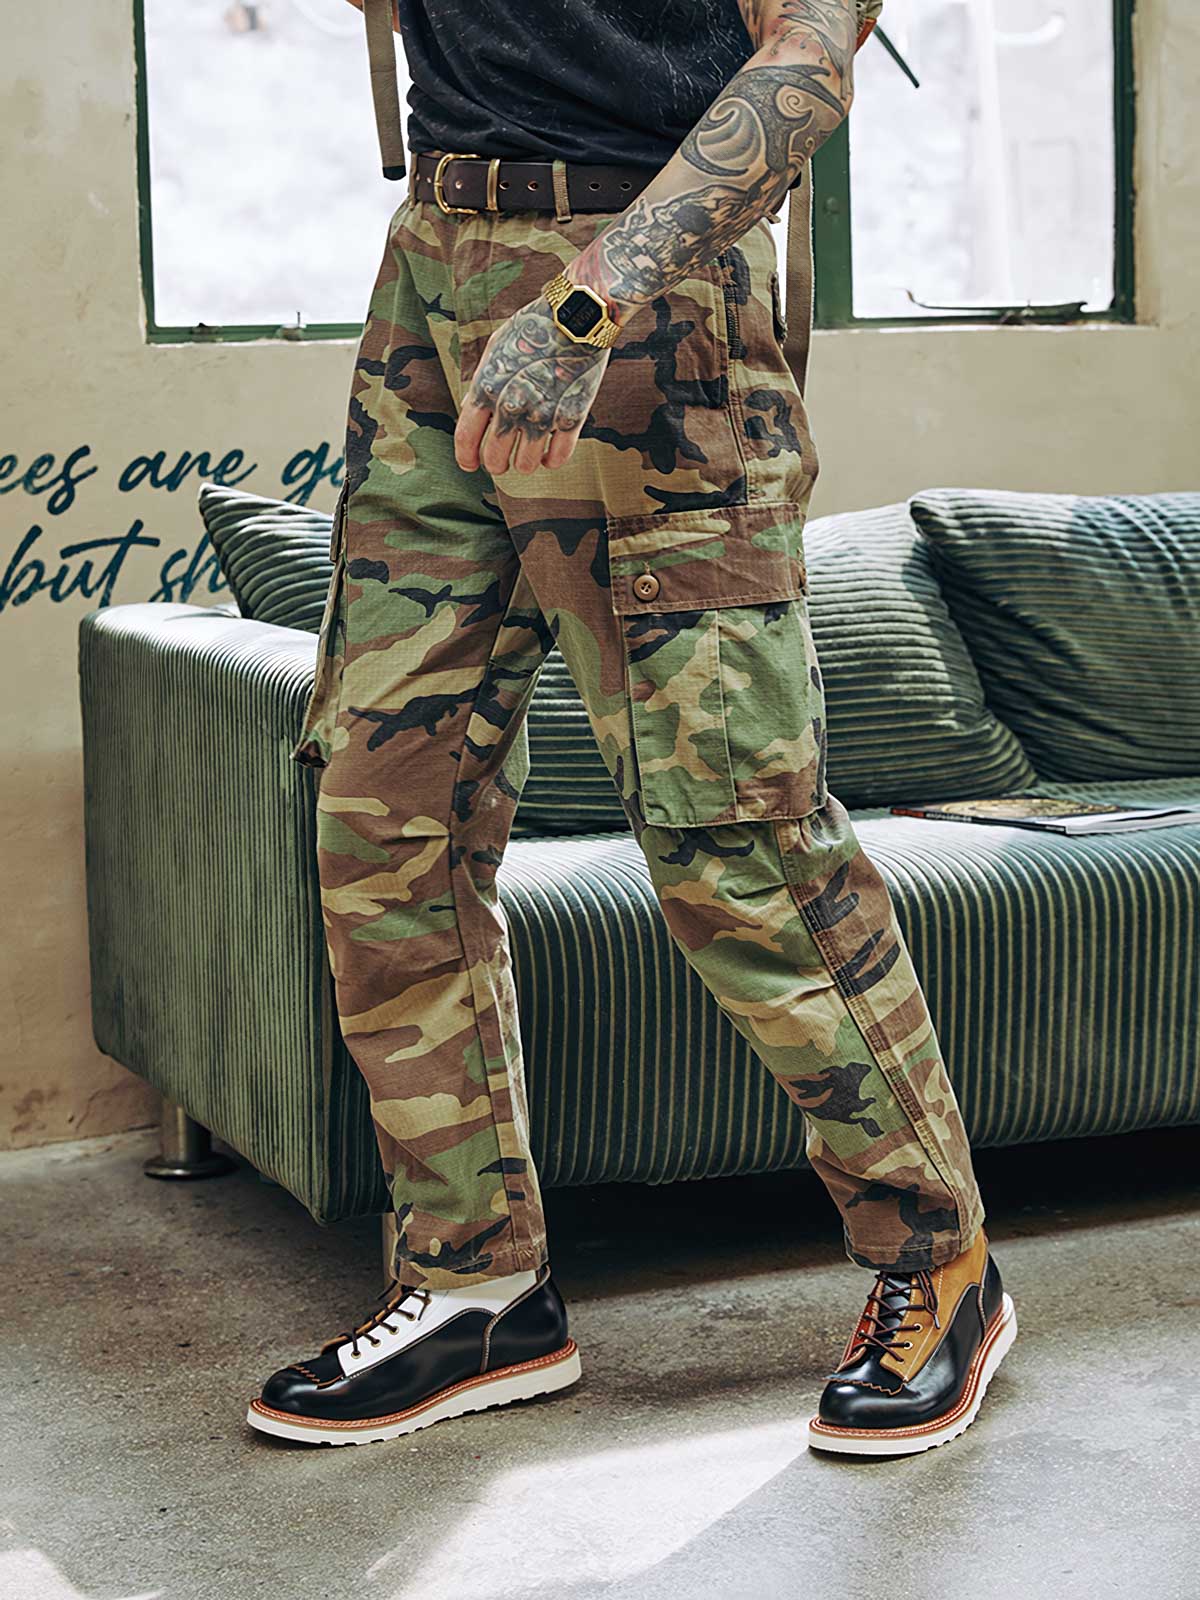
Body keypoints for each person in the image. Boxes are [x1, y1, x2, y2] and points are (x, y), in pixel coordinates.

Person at [247, 0, 1017, 1457]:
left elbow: (809, 58)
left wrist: (583, 307)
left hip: (643, 296)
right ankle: (475, 1286)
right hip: (435, 268)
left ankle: (940, 1259)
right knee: (385, 808)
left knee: (737, 835)